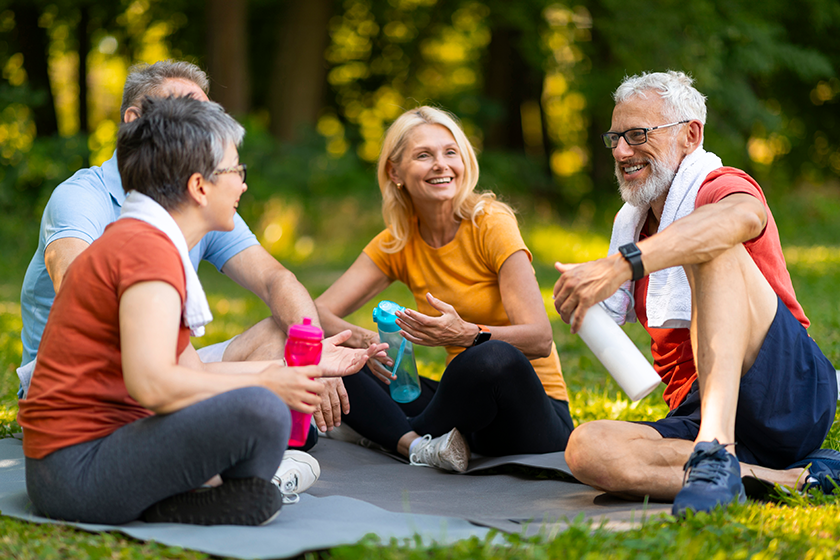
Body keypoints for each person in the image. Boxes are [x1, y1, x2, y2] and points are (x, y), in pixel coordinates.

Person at [17, 95, 379, 525]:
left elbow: (195, 372)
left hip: (80, 466)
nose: (243, 184)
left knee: (262, 408)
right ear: (199, 186)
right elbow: (152, 385)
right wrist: (267, 381)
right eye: (236, 171)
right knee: (261, 410)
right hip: (76, 476)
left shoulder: (144, 239)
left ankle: (194, 497)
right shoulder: (146, 254)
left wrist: (300, 366)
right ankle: (199, 495)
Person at [552, 71, 840, 516]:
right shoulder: (633, 222)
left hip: (786, 391)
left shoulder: (719, 185)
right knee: (587, 449)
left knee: (708, 243)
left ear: (690, 135)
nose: (622, 151)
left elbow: (743, 216)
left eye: (637, 134)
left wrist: (625, 263)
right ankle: (780, 477)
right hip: (694, 406)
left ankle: (715, 447)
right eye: (615, 138)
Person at [17, 60, 346, 442]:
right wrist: (261, 380)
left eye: (205, 114)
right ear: (135, 120)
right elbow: (81, 293)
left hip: (158, 365)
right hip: (82, 381)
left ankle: (250, 431)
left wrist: (313, 356)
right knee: (251, 417)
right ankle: (239, 434)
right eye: (186, 114)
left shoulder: (195, 202)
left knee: (283, 331)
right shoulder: (82, 198)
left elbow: (276, 280)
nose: (203, 127)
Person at [315, 106, 574, 472]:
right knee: (341, 362)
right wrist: (364, 342)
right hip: (462, 416)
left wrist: (467, 334)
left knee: (491, 358)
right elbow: (314, 312)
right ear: (395, 172)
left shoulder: (491, 223)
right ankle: (413, 443)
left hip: (530, 414)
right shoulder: (398, 241)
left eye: (450, 152)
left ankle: (383, 431)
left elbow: (540, 339)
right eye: (424, 155)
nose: (441, 164)